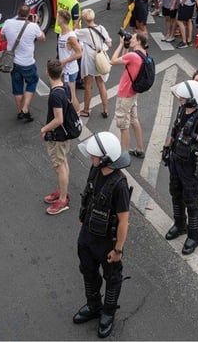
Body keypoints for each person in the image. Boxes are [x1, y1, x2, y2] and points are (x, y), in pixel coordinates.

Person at [73, 132, 131, 339]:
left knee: (112, 278)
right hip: (88, 236)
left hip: (108, 243)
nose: (91, 158)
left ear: (105, 159)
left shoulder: (119, 185)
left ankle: (108, 312)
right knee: (88, 272)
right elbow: (88, 195)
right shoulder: (95, 170)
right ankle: (93, 305)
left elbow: (124, 221)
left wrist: (118, 250)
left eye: (94, 156)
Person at [162, 80, 198, 255]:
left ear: (192, 100)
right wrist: (167, 148)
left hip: (190, 166)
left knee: (191, 201)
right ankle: (180, 225)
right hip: (176, 160)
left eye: (183, 97)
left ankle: (193, 236)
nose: (180, 99)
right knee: (175, 193)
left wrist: (196, 137)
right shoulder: (181, 110)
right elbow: (176, 130)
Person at [39, 59, 75, 216]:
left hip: (58, 135)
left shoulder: (55, 95)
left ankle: (62, 199)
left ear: (48, 72)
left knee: (59, 165)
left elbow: (58, 119)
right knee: (63, 162)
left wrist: (44, 128)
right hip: (66, 132)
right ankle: (62, 191)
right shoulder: (65, 87)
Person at [0, 4, 46, 122]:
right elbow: (42, 38)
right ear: (29, 14)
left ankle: (19, 111)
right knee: (32, 81)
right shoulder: (33, 26)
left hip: (13, 62)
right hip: (27, 63)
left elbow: (2, 38)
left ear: (18, 13)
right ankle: (25, 109)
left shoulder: (8, 22)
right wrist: (36, 23)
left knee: (17, 86)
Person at [109, 31, 147, 158]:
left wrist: (120, 45)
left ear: (139, 42)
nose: (131, 39)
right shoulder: (142, 54)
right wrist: (126, 46)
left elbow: (113, 61)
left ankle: (123, 155)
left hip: (125, 94)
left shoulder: (133, 56)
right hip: (133, 93)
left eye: (134, 38)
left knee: (123, 125)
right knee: (134, 120)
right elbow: (125, 61)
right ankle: (140, 148)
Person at [75, 8, 112, 119]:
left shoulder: (85, 32)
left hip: (90, 59)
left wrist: (78, 20)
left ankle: (86, 110)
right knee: (101, 84)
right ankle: (105, 109)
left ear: (85, 19)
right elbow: (109, 44)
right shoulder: (101, 28)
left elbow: (73, 31)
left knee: (88, 86)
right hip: (100, 58)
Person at [57, 8, 84, 109]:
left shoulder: (70, 37)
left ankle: (77, 116)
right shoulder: (64, 32)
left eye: (58, 17)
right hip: (65, 69)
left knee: (71, 95)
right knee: (67, 94)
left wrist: (65, 61)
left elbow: (79, 53)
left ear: (62, 20)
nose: (56, 19)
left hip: (70, 70)